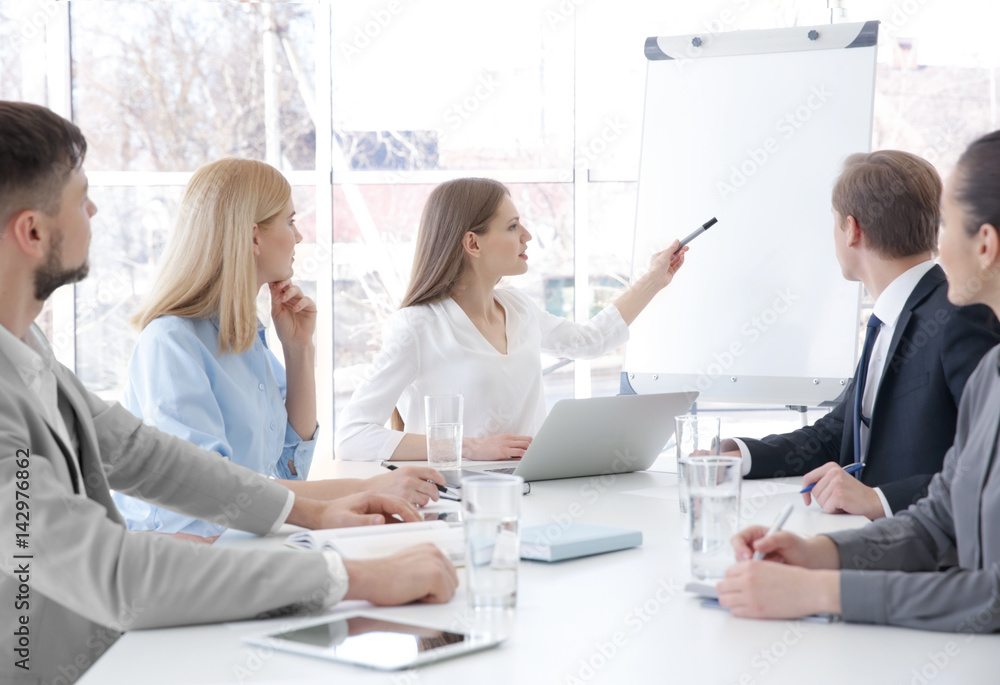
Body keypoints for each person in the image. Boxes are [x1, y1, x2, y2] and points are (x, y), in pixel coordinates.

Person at [0, 102, 457, 683]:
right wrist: (351, 577)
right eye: (81, 196)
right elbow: (112, 574)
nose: (94, 209)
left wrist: (315, 512)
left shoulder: (29, 350)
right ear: (33, 230)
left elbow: (143, 455)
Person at [718, 130, 1000, 632]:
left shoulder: (957, 324)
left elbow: (992, 591)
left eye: (947, 224)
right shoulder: (987, 377)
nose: (937, 244)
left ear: (985, 244)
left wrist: (820, 589)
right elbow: (943, 511)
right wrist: (820, 553)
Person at [112, 158, 445, 540]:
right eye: (290, 221)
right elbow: (210, 497)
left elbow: (288, 469)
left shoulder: (244, 337)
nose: (299, 237)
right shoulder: (171, 342)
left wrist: (299, 350)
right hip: (180, 561)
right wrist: (367, 488)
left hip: (238, 545)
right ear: (254, 237)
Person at [335, 177, 687, 461]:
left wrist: (654, 278)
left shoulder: (518, 308)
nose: (527, 236)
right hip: (457, 502)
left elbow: (590, 341)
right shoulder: (418, 326)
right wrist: (468, 447)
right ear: (473, 243)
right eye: (513, 226)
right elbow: (352, 435)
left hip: (533, 490)